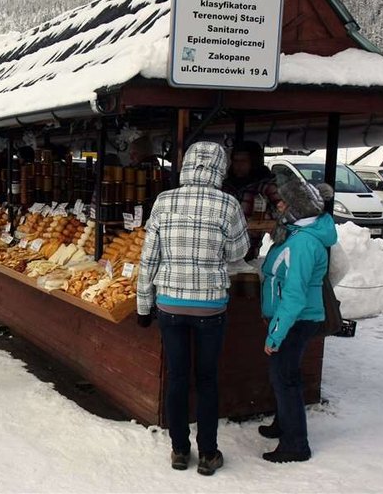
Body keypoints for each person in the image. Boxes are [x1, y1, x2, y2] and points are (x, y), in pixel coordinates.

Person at [136, 141, 249, 476]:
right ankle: (209, 453)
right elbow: (237, 252)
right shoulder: (227, 204)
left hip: (170, 304)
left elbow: (149, 258)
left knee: (177, 378)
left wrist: (144, 306)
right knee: (207, 379)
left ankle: (179, 451)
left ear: (185, 164)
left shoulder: (164, 201)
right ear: (220, 167)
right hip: (210, 307)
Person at [259, 176, 335, 463]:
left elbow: (294, 295)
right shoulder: (295, 233)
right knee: (283, 375)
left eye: (284, 201)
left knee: (285, 379)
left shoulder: (302, 243)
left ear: (298, 208)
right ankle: (283, 424)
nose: (278, 205)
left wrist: (275, 334)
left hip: (295, 320)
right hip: (292, 318)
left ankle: (295, 444)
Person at [222, 141, 281, 260]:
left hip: (249, 251)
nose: (238, 166)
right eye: (235, 161)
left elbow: (283, 209)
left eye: (243, 161)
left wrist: (263, 218)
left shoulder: (266, 185)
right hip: (222, 248)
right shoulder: (226, 186)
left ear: (254, 163)